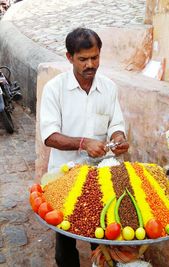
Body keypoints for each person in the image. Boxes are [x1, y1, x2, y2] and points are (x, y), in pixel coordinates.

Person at [40, 27, 129, 267]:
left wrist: (118, 138)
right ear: (69, 58)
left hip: (100, 176)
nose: (90, 64)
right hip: (64, 175)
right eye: (83, 59)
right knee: (66, 238)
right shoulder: (55, 89)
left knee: (100, 235)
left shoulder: (109, 87)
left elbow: (116, 124)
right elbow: (49, 136)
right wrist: (83, 143)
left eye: (95, 57)